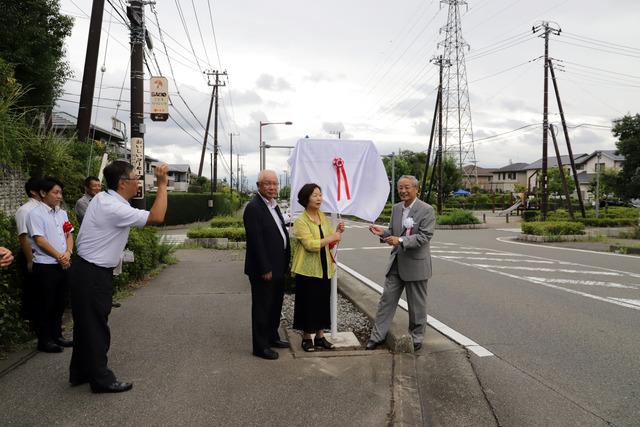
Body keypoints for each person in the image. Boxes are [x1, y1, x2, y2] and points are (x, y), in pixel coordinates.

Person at [69, 161, 168, 394]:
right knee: (95, 327)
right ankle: (101, 379)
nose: (139, 183)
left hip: (85, 270)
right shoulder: (114, 207)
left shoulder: (104, 199)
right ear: (123, 183)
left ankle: (81, 371)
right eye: (136, 178)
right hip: (93, 273)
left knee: (86, 325)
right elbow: (156, 217)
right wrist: (162, 184)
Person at [366, 175, 435, 352]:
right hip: (396, 262)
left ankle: (417, 336)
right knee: (386, 301)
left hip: (416, 264)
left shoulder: (426, 209)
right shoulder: (397, 209)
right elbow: (394, 231)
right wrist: (382, 233)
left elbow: (424, 236)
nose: (403, 191)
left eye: (407, 187)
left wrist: (401, 240)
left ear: (416, 189)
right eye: (400, 188)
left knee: (416, 305)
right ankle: (377, 336)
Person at [243, 169, 291, 360]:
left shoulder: (273, 205)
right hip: (265, 269)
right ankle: (260, 346)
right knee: (262, 307)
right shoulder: (254, 207)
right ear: (258, 186)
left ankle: (272, 337)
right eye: (268, 184)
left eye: (275, 184)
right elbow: (256, 241)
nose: (272, 187)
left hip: (278, 266)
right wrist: (265, 268)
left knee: (275, 305)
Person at [291, 183, 344, 352]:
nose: (319, 198)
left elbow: (330, 242)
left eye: (320, 195)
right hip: (307, 270)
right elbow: (310, 245)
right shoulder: (301, 221)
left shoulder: (323, 217)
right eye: (315, 195)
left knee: (322, 302)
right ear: (306, 199)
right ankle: (307, 338)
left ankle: (320, 336)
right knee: (308, 303)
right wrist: (332, 237)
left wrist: (337, 232)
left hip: (324, 268)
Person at [27, 176, 74, 353]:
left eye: (60, 192)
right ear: (43, 193)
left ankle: (57, 335)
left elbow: (69, 234)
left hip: (63, 263)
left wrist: (68, 253)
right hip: (46, 265)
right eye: (55, 192)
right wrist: (59, 256)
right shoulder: (35, 214)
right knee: (45, 303)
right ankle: (44, 340)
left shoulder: (61, 213)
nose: (59, 196)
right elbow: (39, 240)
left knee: (60, 302)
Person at [14, 177, 42, 322]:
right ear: (33, 191)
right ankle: (32, 322)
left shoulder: (45, 208)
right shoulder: (25, 210)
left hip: (45, 255)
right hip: (31, 254)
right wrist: (30, 260)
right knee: (32, 290)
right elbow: (23, 237)